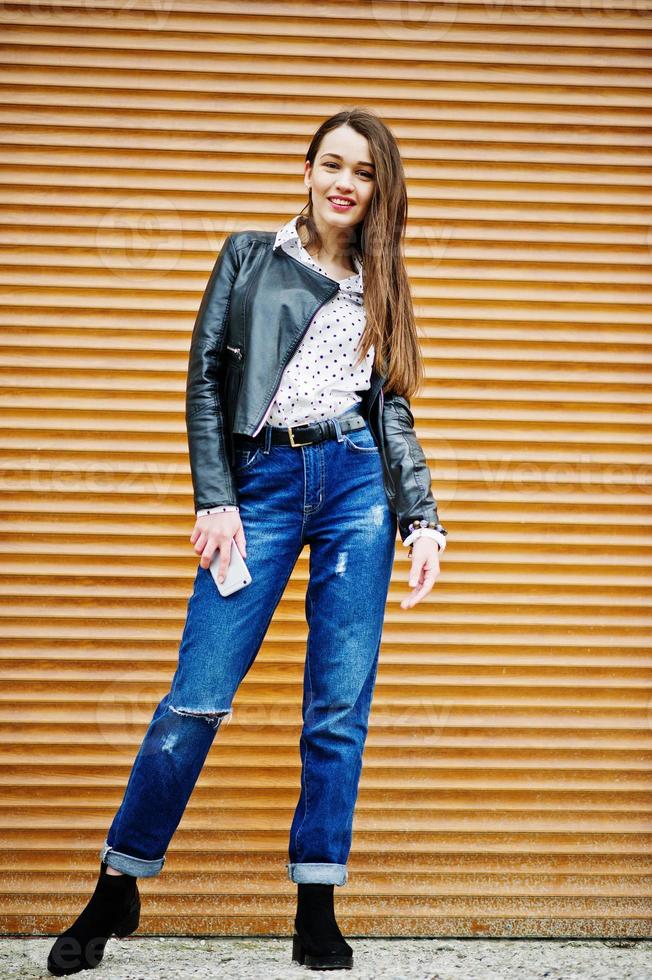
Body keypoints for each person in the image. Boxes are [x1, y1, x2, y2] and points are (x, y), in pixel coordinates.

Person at [46, 106, 448, 976]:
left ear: (382, 188)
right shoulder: (247, 255)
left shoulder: (384, 280)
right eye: (332, 163)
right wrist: (216, 497)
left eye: (365, 171)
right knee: (196, 696)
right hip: (259, 487)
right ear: (306, 170)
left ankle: (315, 901)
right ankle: (119, 881)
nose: (346, 182)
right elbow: (202, 381)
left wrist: (423, 518)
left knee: (337, 708)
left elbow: (393, 409)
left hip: (353, 488)